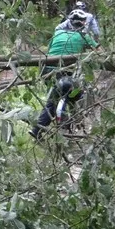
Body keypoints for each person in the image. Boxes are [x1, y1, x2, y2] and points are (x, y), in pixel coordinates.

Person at [31, 9, 98, 138]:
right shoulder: (83, 36)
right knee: (74, 93)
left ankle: (52, 123)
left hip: (46, 69)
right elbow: (99, 51)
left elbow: (50, 50)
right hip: (64, 70)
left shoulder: (58, 33)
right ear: (83, 24)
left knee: (55, 97)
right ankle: (56, 123)